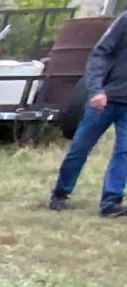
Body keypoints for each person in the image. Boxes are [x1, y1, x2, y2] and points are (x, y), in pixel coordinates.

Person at [51, 11, 127, 215]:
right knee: (81, 147)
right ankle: (60, 193)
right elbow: (99, 54)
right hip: (106, 99)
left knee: (124, 152)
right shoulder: (125, 21)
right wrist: (96, 90)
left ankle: (111, 202)